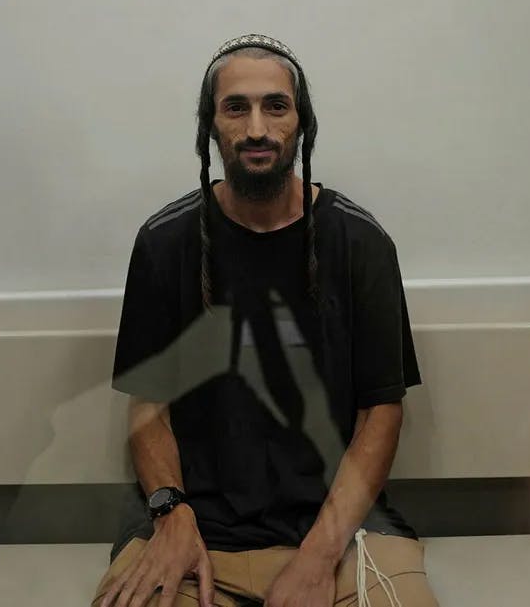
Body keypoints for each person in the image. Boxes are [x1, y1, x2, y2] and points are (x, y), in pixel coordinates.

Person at [94, 34, 437, 607]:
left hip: (341, 532)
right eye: (236, 108)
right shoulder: (164, 242)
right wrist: (172, 514)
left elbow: (381, 412)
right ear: (211, 125)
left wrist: (317, 560)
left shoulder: (361, 242)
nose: (257, 128)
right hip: (195, 530)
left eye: (275, 106)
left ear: (302, 122)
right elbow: (149, 407)